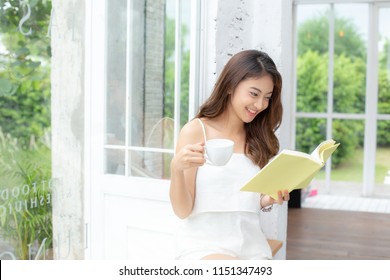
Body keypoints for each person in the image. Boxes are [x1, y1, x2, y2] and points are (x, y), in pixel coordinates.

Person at [169, 49, 290, 260]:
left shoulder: (257, 138)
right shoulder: (196, 131)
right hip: (204, 244)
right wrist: (176, 169)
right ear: (230, 86)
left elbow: (237, 198)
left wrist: (265, 200)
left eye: (267, 97)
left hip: (251, 244)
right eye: (254, 94)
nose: (260, 105)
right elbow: (182, 211)